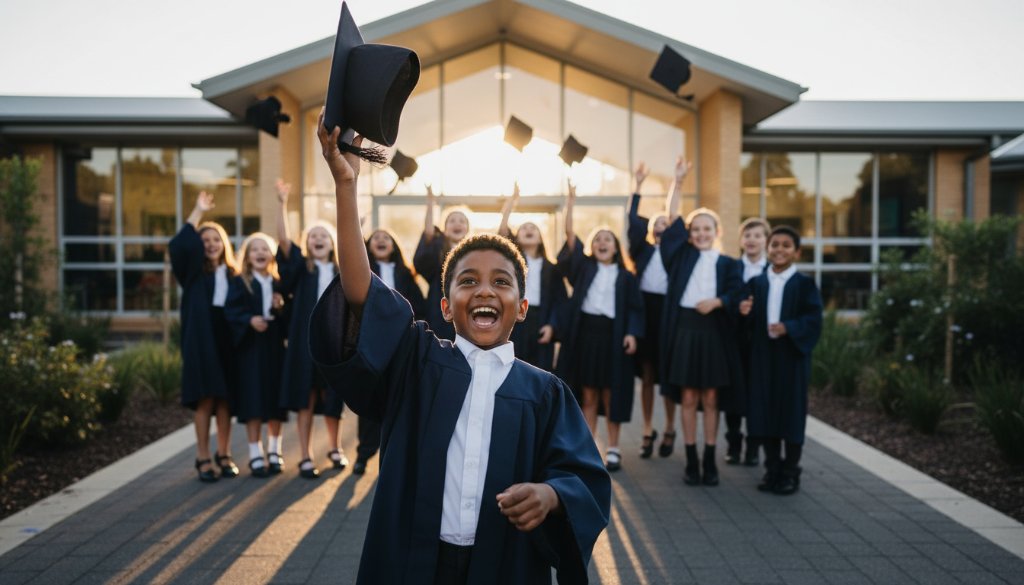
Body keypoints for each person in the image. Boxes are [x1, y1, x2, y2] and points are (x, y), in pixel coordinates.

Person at [310, 111, 610, 585]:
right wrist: (346, 188)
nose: (486, 291)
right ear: (447, 306)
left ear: (524, 306)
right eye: (468, 281)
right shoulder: (419, 361)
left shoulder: (545, 393)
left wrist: (551, 496)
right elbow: (360, 292)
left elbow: (584, 476)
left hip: (506, 564)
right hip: (418, 563)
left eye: (501, 282)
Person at [659, 158, 744, 486]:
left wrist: (719, 301)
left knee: (711, 398)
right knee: (689, 397)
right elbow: (672, 219)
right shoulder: (680, 256)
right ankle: (691, 460)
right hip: (684, 329)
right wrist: (678, 182)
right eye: (696, 230)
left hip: (713, 333)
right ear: (690, 236)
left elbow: (737, 294)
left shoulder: (728, 263)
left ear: (717, 232)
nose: (701, 233)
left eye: (707, 228)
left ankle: (711, 459)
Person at [555, 180, 644, 472]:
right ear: (592, 247)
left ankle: (615, 448)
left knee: (612, 392)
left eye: (608, 239)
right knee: (589, 393)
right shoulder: (584, 268)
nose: (603, 242)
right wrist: (570, 201)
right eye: (598, 240)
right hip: (586, 335)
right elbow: (570, 236)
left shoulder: (627, 277)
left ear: (616, 247)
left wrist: (632, 333)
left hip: (614, 337)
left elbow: (634, 308)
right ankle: (589, 447)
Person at [738, 226, 822, 495]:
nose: (779, 249)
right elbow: (747, 324)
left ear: (797, 252)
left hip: (791, 358)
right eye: (775, 244)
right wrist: (744, 312)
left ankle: (790, 472)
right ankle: (772, 468)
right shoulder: (758, 283)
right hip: (763, 357)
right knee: (764, 412)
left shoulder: (805, 284)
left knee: (790, 413)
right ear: (768, 248)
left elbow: (813, 319)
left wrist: (790, 327)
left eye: (786, 245)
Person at [275, 180, 348, 479]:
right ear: (307, 244)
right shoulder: (301, 271)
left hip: (334, 345)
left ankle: (335, 448)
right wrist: (281, 204)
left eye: (324, 236)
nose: (318, 239)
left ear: (332, 244)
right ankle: (305, 455)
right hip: (305, 345)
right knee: (305, 398)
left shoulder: (342, 272)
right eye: (313, 236)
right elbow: (282, 244)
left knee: (333, 399)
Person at [168, 192, 240, 482]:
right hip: (202, 342)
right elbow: (177, 246)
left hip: (229, 342)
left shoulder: (235, 274)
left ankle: (224, 453)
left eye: (215, 240)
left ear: (224, 245)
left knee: (226, 401)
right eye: (205, 240)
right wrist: (198, 211)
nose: (211, 245)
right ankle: (202, 456)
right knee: (205, 400)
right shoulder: (193, 275)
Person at [353, 227, 426, 475]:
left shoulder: (405, 274)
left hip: (401, 343)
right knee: (372, 397)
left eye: (386, 238)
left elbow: (420, 306)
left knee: (402, 398)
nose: (381, 241)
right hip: (371, 341)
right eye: (376, 239)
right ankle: (364, 454)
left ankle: (398, 457)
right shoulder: (365, 273)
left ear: (394, 246)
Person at [226, 231, 288, 477]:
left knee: (275, 398)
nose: (260, 253)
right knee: (253, 400)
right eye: (255, 249)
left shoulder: (278, 283)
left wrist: (280, 308)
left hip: (274, 346)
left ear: (272, 255)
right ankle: (255, 452)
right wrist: (249, 320)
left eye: (265, 249)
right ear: (248, 257)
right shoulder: (240, 282)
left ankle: (275, 449)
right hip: (251, 348)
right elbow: (231, 311)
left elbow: (287, 319)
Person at [626, 162, 677, 459]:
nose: (660, 228)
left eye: (665, 225)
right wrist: (637, 186)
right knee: (646, 376)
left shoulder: (677, 253)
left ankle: (670, 427)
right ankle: (648, 429)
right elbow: (632, 220)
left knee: (667, 378)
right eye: (656, 225)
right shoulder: (642, 251)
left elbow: (675, 218)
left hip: (668, 317)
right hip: (646, 314)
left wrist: (675, 186)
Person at [497, 183, 566, 372]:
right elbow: (503, 231)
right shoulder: (513, 262)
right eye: (524, 227)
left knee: (539, 371)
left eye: (533, 228)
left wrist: (552, 325)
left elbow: (559, 300)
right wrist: (512, 202)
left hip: (541, 320)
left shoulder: (552, 269)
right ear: (516, 238)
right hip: (515, 318)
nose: (528, 229)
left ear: (540, 238)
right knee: (511, 367)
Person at [725, 217, 771, 466]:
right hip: (734, 341)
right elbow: (724, 297)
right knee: (733, 395)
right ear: (741, 241)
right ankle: (733, 443)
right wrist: (736, 306)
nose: (752, 240)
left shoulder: (772, 270)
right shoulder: (731, 268)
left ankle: (754, 447)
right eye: (748, 235)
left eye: (758, 235)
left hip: (761, 345)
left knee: (757, 396)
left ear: (766, 240)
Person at [415, 184, 471, 341]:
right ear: (444, 228)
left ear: (467, 228)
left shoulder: (473, 251)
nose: (457, 224)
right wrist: (431, 204)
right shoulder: (439, 247)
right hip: (439, 304)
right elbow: (428, 234)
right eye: (452, 221)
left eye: (462, 221)